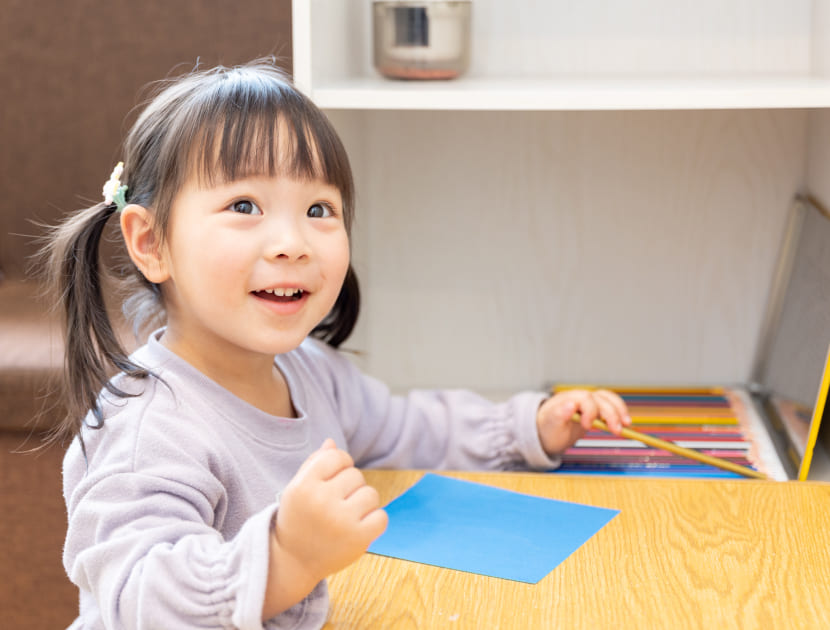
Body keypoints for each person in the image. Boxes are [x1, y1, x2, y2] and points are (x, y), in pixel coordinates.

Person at [43, 58, 631, 629]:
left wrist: (526, 427)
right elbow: (141, 599)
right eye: (244, 206)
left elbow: (408, 430)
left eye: (319, 209)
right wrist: (287, 556)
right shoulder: (146, 431)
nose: (292, 242)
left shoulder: (310, 372)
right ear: (151, 243)